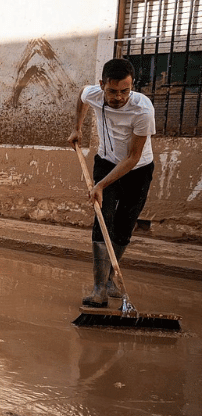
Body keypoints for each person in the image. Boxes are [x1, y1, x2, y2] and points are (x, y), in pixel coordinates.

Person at [67, 58, 155, 308]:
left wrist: (100, 185)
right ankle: (98, 291)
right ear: (102, 85)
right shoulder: (93, 93)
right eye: (112, 91)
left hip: (137, 169)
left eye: (125, 91)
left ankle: (109, 280)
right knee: (102, 218)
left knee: (126, 223)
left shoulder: (143, 110)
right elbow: (81, 97)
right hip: (106, 161)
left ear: (132, 87)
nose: (118, 97)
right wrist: (77, 128)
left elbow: (132, 157)